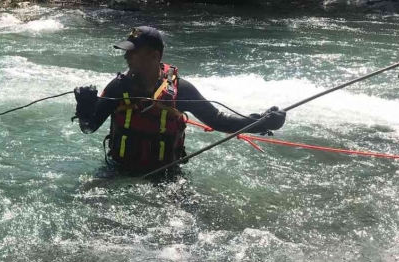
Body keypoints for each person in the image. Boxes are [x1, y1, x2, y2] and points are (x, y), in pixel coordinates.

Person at [74, 26, 286, 176]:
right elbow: (89, 127)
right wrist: (84, 108)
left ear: (154, 56)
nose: (126, 57)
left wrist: (261, 122)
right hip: (119, 170)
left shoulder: (180, 89)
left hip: (166, 176)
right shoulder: (119, 87)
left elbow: (219, 121)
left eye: (133, 52)